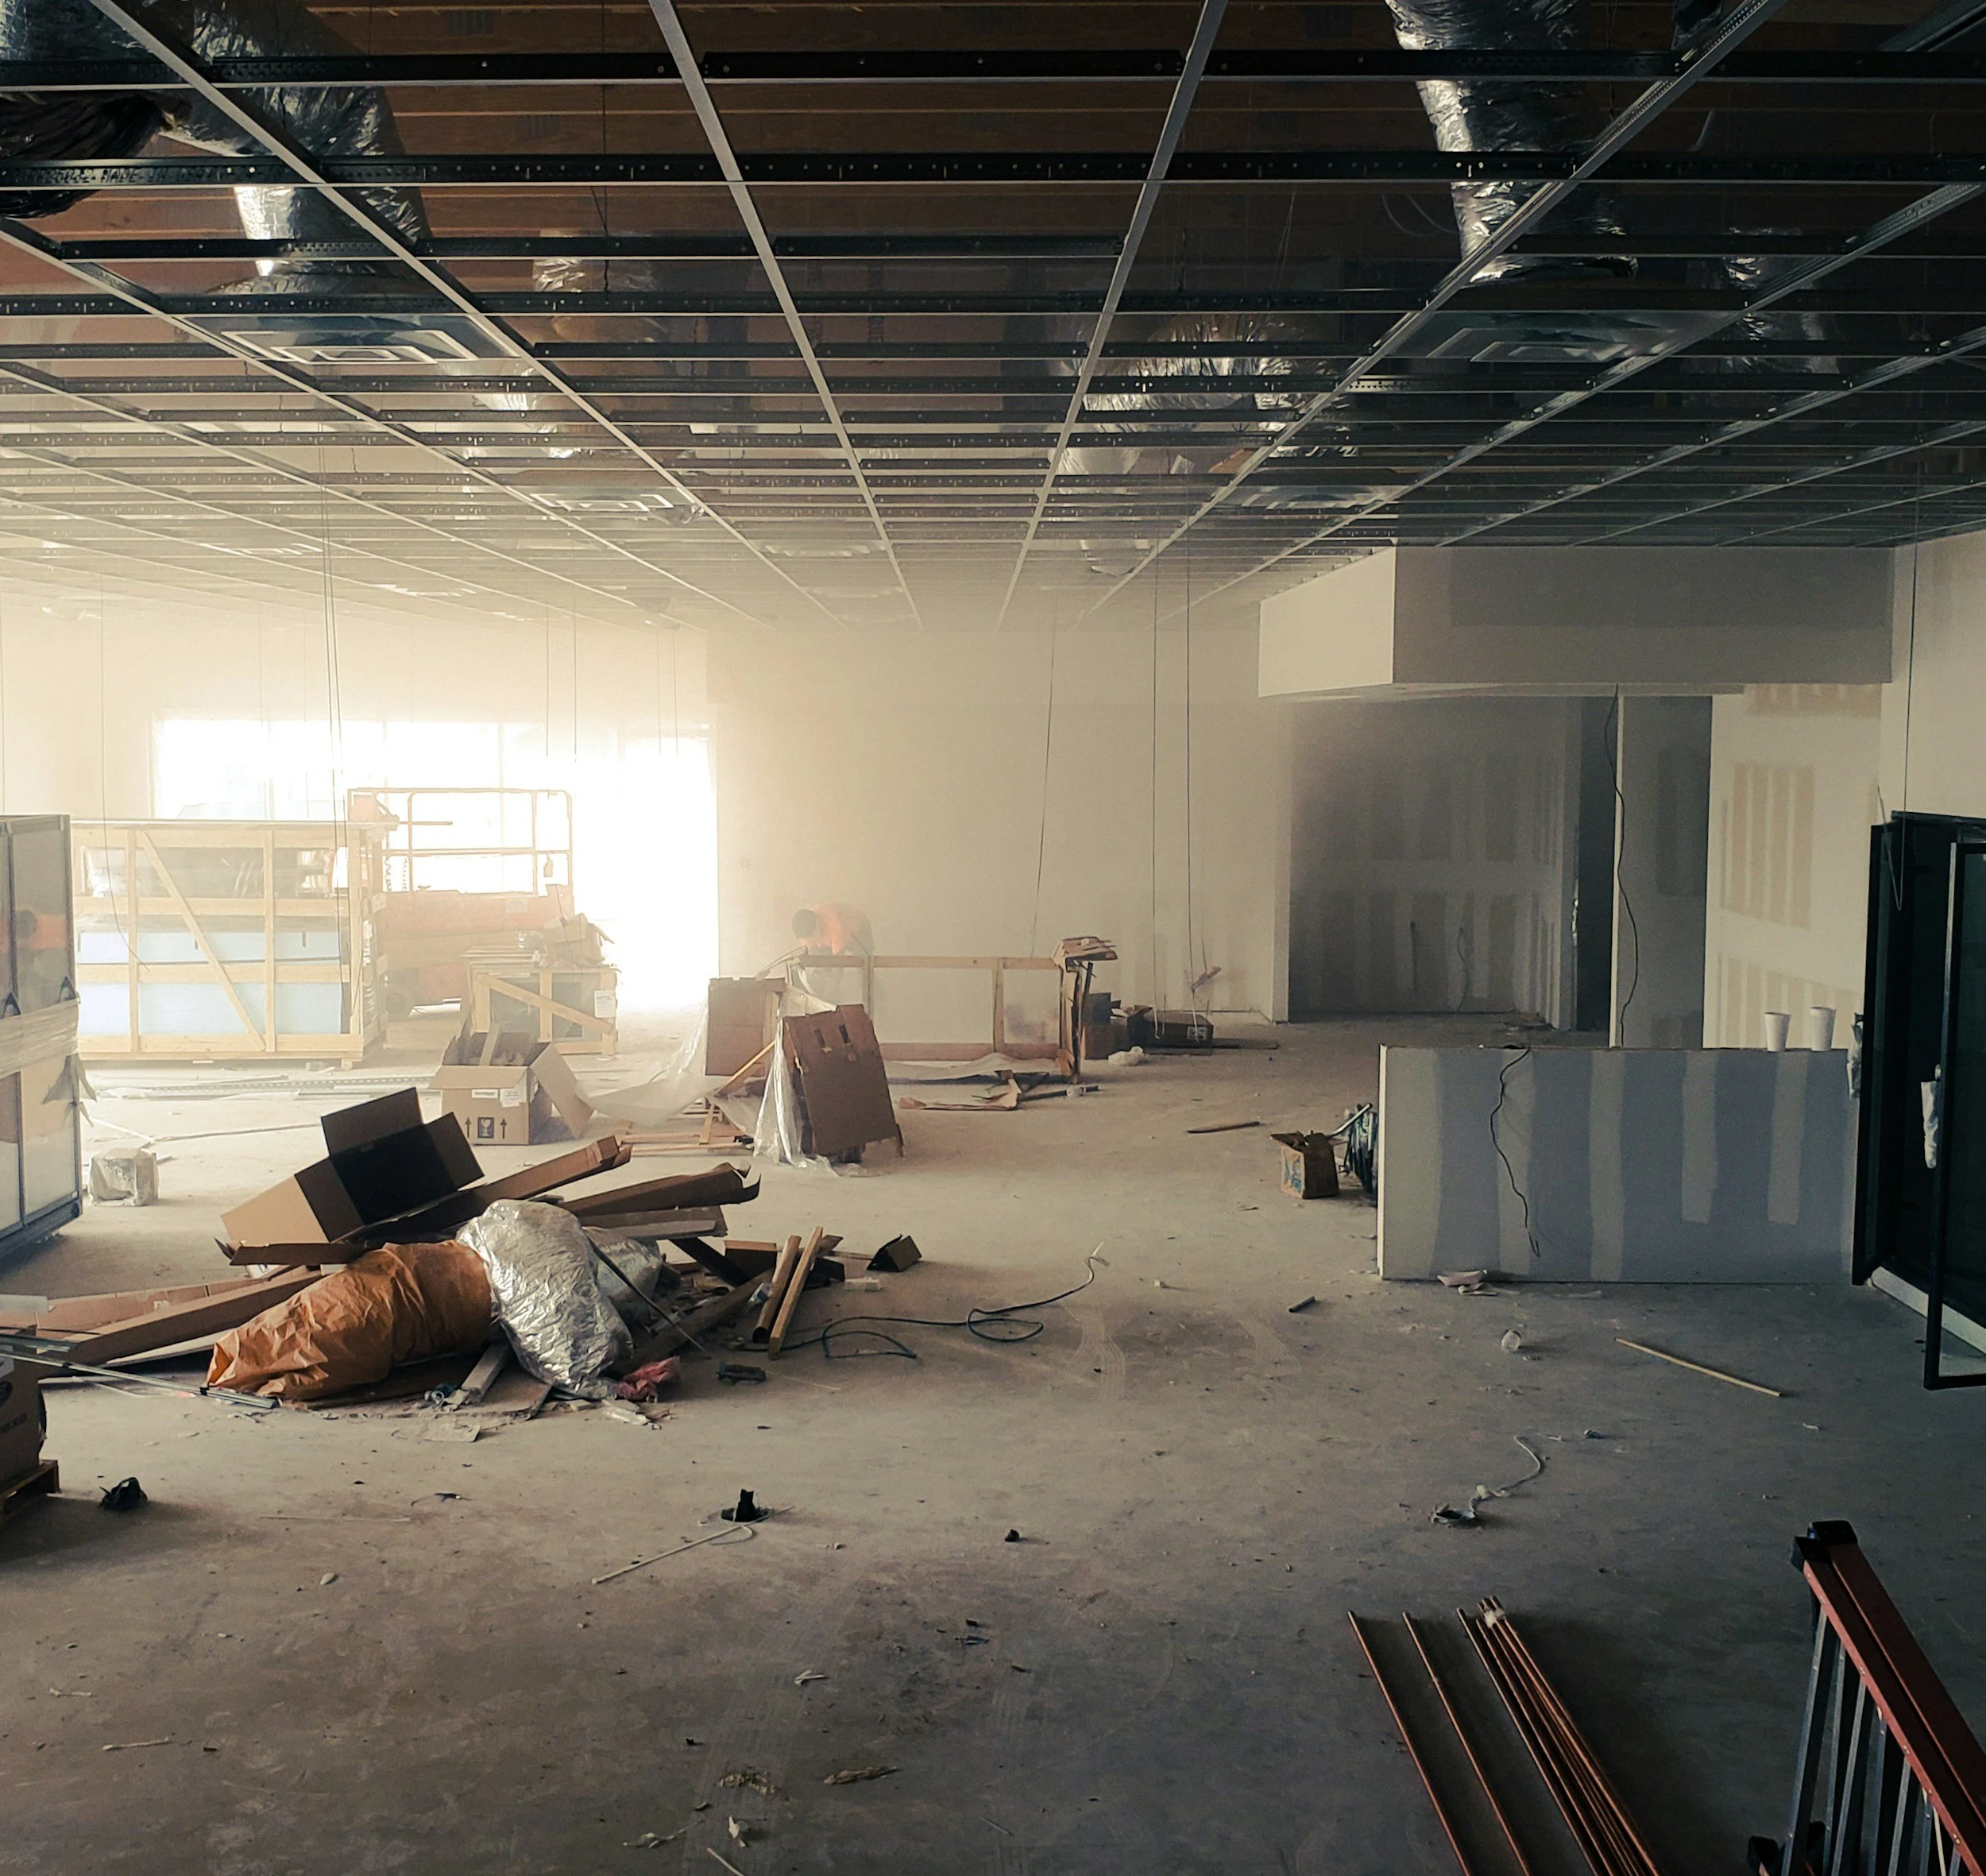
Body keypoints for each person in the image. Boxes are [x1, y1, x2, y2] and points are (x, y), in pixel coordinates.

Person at [791, 902, 873, 958]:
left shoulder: (833, 922)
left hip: (858, 928)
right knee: (824, 964)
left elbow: (838, 960)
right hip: (831, 939)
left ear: (817, 917)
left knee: (864, 963)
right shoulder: (804, 932)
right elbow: (813, 957)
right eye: (812, 934)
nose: (816, 933)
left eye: (815, 928)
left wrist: (835, 977)